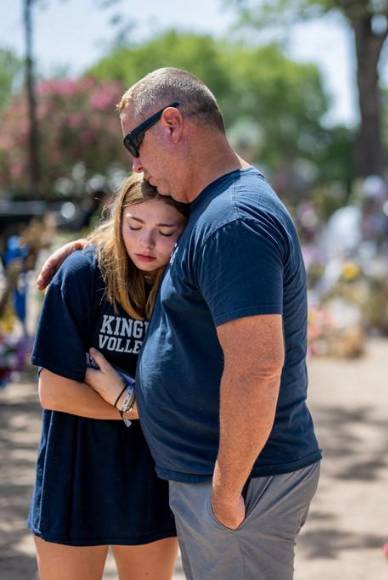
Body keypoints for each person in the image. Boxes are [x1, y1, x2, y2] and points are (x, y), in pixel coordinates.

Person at [38, 67, 321, 579]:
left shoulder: (232, 218)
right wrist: (95, 251)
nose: (134, 163)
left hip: (239, 482)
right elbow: (173, 261)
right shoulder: (220, 208)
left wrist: (226, 489)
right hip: (220, 476)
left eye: (134, 142)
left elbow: (258, 367)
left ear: (171, 123)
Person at [30, 173, 185, 579]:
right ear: (117, 219)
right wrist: (136, 407)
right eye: (134, 226)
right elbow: (55, 392)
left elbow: (192, 395)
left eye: (164, 231)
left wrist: (123, 396)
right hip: (74, 475)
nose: (146, 243)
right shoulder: (82, 275)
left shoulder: (186, 288)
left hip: (148, 479)